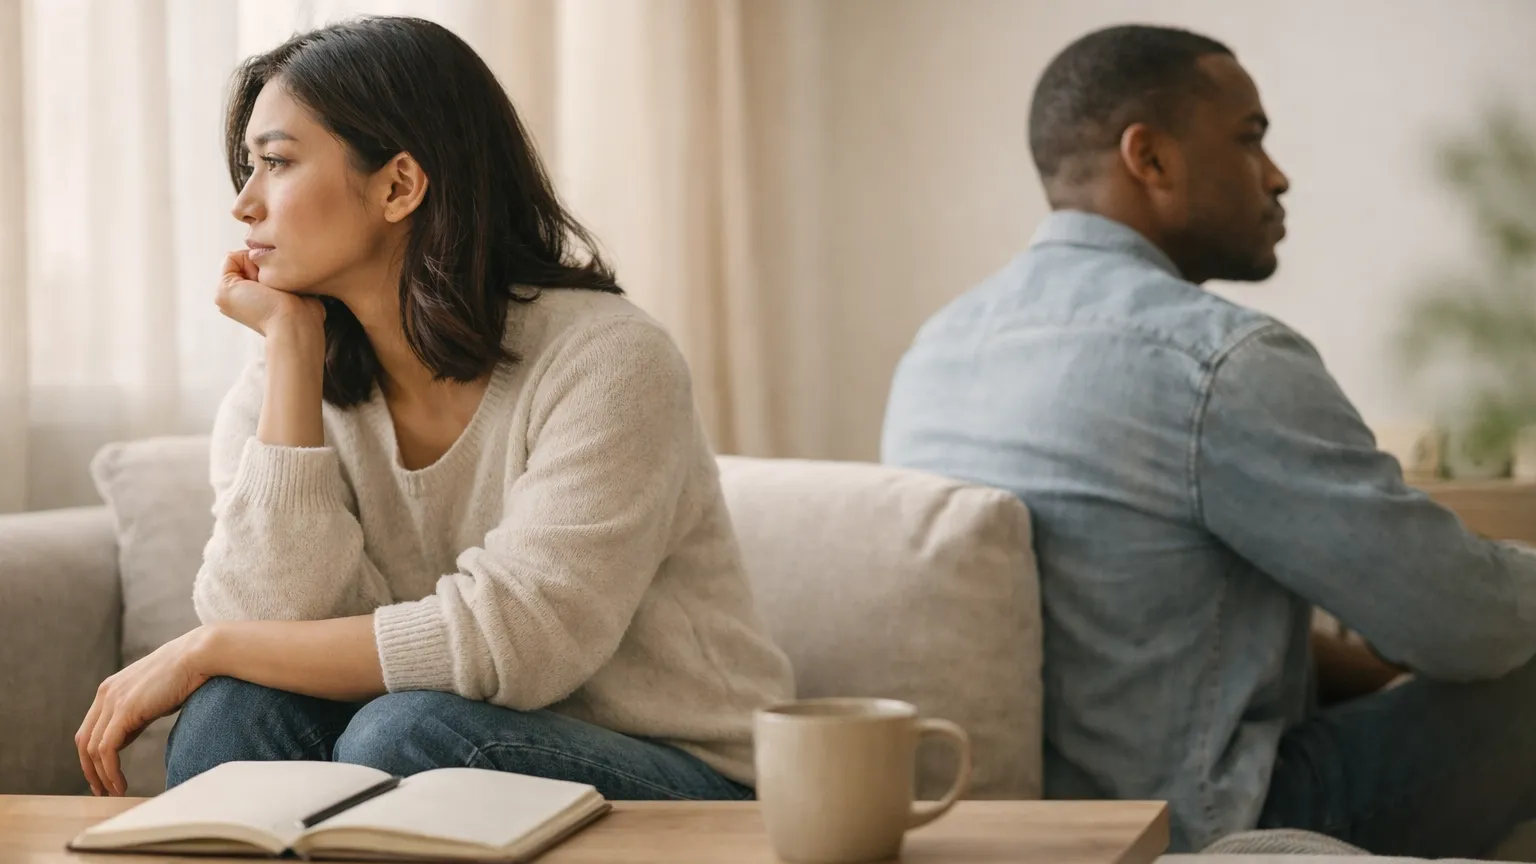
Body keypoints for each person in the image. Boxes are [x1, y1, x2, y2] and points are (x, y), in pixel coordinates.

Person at [74, 15, 794, 802]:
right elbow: (272, 618)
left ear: (399, 185)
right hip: (441, 740)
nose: (244, 205)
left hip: (680, 769)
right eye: (246, 169)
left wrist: (206, 646)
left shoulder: (609, 359)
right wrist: (290, 353)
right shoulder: (282, 374)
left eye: (276, 163)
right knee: (231, 713)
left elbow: (516, 640)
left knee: (408, 731)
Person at [881, 23, 1536, 858]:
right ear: (1148, 158)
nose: (1277, 175)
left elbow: (1150, 630)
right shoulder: (1217, 361)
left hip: (1009, 826)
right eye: (1250, 139)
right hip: (1197, 825)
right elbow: (1461, 619)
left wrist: (1390, 670)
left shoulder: (934, 352)